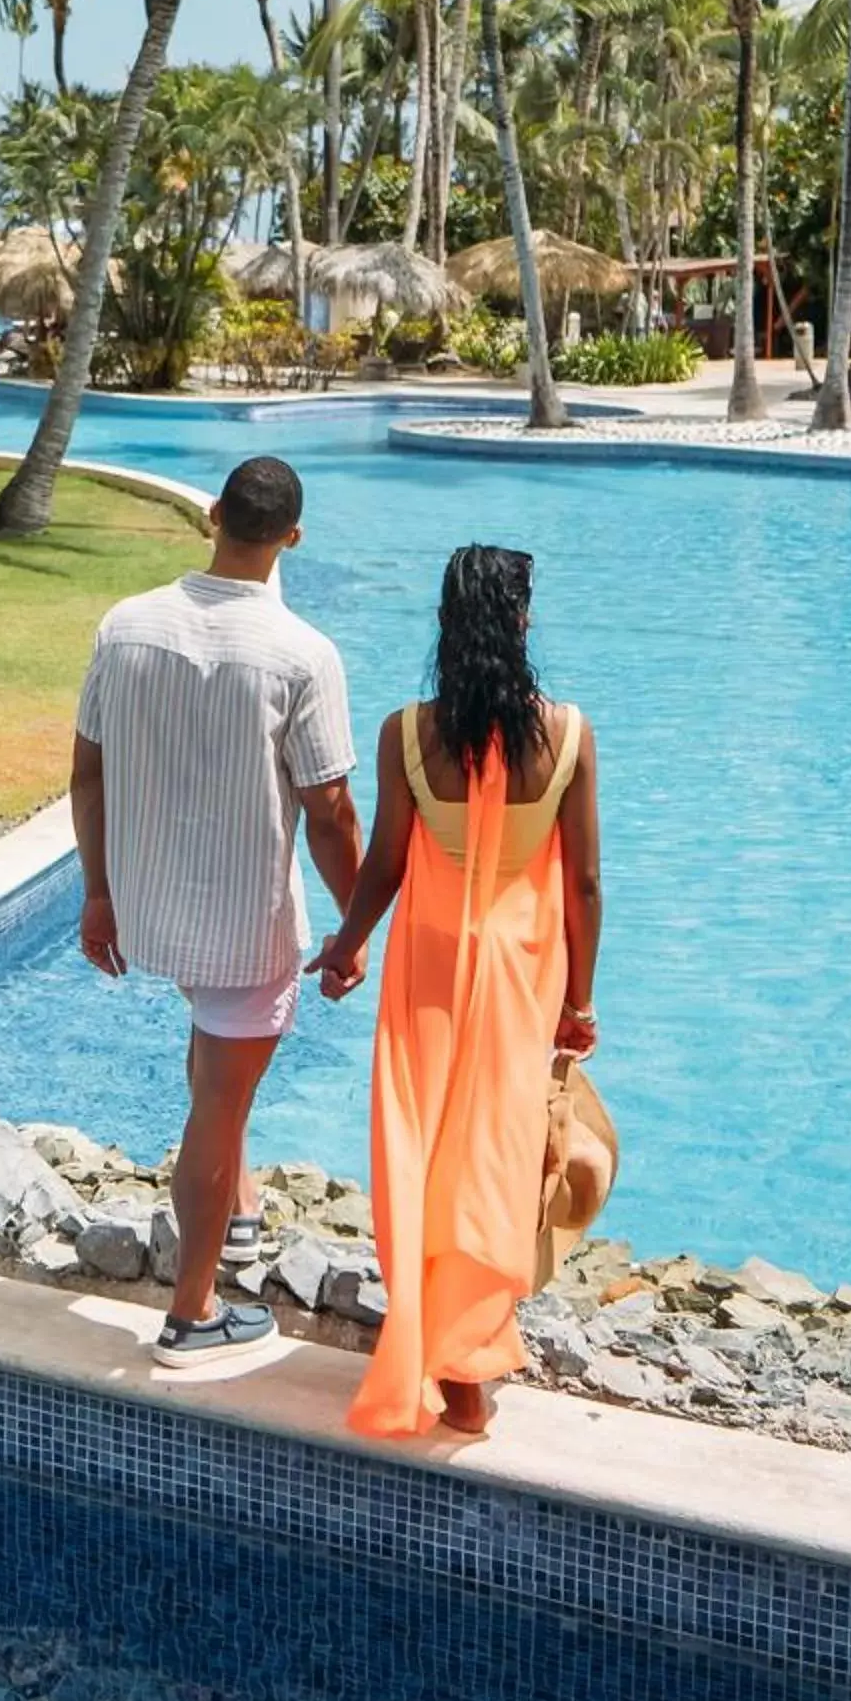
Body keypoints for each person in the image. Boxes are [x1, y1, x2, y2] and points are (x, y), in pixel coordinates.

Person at [72, 455, 361, 1361]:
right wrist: (355, 923)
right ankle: (191, 1314)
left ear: (211, 520)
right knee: (220, 1109)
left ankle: (235, 1217)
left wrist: (98, 893)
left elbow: (88, 770)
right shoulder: (302, 654)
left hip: (154, 907)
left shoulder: (125, 626)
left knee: (214, 1067)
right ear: (293, 538)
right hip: (243, 924)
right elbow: (330, 812)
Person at [309, 545, 602, 1439]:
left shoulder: (409, 733)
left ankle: (433, 1345)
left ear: (446, 622)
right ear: (521, 621)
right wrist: (579, 1003)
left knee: (419, 1146)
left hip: (429, 962)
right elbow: (584, 884)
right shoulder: (567, 735)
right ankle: (468, 1363)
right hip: (522, 972)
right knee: (493, 1154)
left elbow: (389, 863)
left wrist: (346, 946)